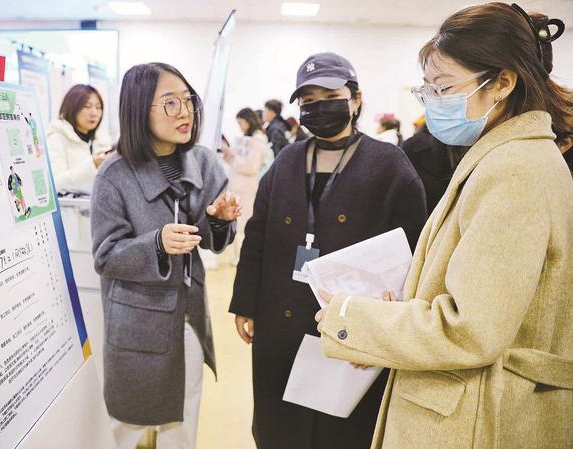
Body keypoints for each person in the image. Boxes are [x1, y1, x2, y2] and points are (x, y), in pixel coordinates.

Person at [315, 4, 572, 449]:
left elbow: (469, 329)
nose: (434, 102)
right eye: (428, 90)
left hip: (475, 418)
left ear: (503, 83)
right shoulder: (502, 158)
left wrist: (353, 318)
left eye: (444, 88)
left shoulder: (515, 170)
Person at [230, 52, 428, 449]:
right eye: (308, 100)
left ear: (355, 99)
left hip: (350, 326)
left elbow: (414, 250)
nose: (319, 107)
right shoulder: (287, 160)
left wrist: (391, 322)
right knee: (279, 424)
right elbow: (258, 233)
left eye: (330, 96)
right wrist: (246, 302)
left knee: (343, 429)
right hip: (280, 319)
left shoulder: (389, 164)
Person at [91, 62, 240, 449]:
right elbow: (106, 255)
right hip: (134, 322)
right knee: (127, 426)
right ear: (139, 109)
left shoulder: (204, 163)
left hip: (187, 314)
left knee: (181, 425)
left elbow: (212, 241)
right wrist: (155, 243)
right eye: (170, 103)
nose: (184, 112)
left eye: (187, 100)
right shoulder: (114, 174)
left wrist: (219, 220)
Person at [222, 108, 268, 264]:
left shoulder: (257, 140)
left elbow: (251, 167)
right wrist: (228, 154)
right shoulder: (247, 138)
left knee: (243, 223)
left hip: (246, 188)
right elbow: (237, 161)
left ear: (248, 121)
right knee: (237, 222)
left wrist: (233, 155)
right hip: (238, 185)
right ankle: (237, 256)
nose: (240, 126)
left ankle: (242, 257)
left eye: (241, 123)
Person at [47, 84, 112, 191]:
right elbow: (55, 183)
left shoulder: (102, 139)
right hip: (70, 202)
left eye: (98, 107)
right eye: (87, 106)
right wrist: (92, 164)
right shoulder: (56, 138)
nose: (94, 113)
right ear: (72, 107)